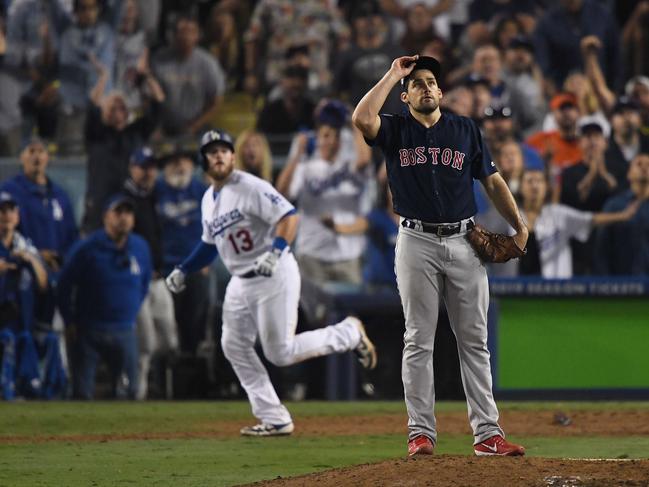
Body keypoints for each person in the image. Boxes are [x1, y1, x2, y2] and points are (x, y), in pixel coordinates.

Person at [352, 54, 528, 457]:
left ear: (441, 90)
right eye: (418, 83)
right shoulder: (394, 129)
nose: (427, 87)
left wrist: (519, 224)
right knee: (418, 338)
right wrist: (394, 72)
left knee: (474, 340)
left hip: (465, 240)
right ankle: (420, 433)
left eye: (432, 81)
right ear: (405, 94)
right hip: (415, 242)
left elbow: (492, 180)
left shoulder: (464, 129)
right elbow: (363, 118)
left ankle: (487, 434)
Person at [165, 128, 377, 436]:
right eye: (213, 152)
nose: (220, 155)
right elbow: (211, 244)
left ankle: (348, 333)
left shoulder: (249, 186)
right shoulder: (208, 199)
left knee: (280, 352)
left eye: (224, 150)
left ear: (232, 156)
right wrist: (184, 268)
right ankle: (274, 417)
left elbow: (289, 217)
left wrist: (276, 251)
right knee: (233, 345)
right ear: (204, 161)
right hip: (241, 280)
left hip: (272, 272)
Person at [58, 194, 151, 399]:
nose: (124, 217)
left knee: (130, 391)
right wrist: (69, 320)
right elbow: (64, 285)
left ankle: (128, 433)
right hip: (89, 330)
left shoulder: (140, 247)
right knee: (82, 392)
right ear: (105, 217)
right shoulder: (86, 248)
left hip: (125, 329)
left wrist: (131, 309)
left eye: (128, 212)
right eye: (118, 212)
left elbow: (144, 284)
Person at [275, 100, 372, 285]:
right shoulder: (306, 168)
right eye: (324, 135)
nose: (329, 141)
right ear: (317, 138)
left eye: (334, 136)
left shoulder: (348, 168)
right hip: (312, 254)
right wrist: (297, 154)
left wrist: (353, 119)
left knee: (352, 312)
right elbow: (281, 192)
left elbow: (364, 160)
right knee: (311, 312)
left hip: (348, 255)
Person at [122, 147, 177, 400]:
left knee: (168, 341)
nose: (148, 172)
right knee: (145, 344)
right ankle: (136, 393)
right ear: (132, 168)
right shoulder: (124, 200)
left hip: (159, 278)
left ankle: (145, 382)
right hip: (136, 283)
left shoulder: (157, 196)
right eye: (143, 167)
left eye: (152, 167)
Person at [518, 168, 639, 278]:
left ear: (546, 187)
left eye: (539, 181)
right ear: (521, 187)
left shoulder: (558, 214)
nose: (534, 186)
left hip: (556, 288)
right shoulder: (512, 217)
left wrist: (622, 216)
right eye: (529, 181)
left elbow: (591, 219)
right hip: (516, 287)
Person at [155, 144, 209, 356]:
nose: (179, 165)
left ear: (192, 165)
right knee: (166, 325)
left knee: (195, 322)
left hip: (196, 268)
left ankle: (193, 372)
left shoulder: (203, 191)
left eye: (184, 160)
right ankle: (165, 377)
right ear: (164, 167)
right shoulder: (156, 191)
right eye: (173, 161)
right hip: (165, 269)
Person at [595, 153, 649, 275]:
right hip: (622, 283)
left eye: (648, 165)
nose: (644, 168)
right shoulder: (614, 206)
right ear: (629, 174)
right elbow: (602, 248)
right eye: (639, 164)